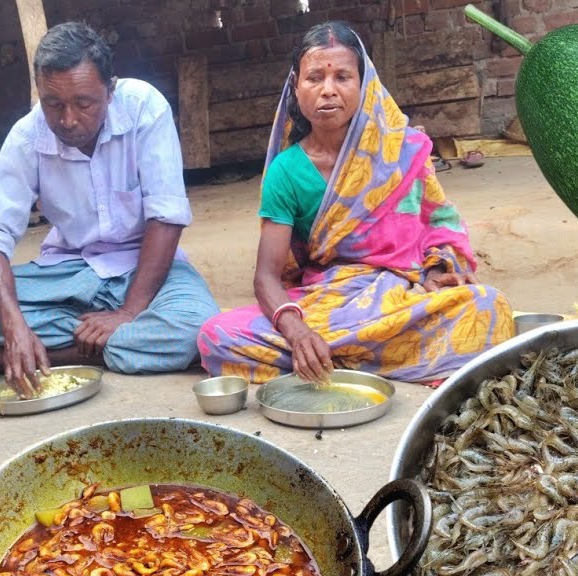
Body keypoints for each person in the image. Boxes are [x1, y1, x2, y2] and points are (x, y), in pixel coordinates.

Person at [197, 21, 513, 384]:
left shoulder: (403, 150)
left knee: (489, 306)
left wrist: (439, 270)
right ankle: (366, 358)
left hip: (403, 295)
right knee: (215, 336)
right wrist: (298, 332)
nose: (328, 90)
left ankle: (331, 361)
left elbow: (438, 222)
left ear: (365, 86)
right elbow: (267, 276)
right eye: (314, 78)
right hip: (328, 303)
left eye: (343, 77)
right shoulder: (286, 171)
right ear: (296, 88)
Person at [0, 22, 219, 397]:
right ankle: (82, 340)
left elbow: (166, 215)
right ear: (39, 92)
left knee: (200, 326)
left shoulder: (144, 106)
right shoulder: (27, 137)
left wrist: (128, 313)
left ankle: (56, 352)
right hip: (68, 273)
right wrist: (14, 325)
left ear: (110, 91)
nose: (67, 119)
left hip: (146, 270)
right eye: (53, 104)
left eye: (83, 103)